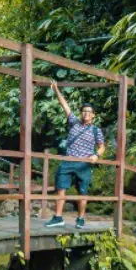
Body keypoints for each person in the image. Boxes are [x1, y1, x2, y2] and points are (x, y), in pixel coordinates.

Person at [44, 80, 106, 229]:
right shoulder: (74, 122)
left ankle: (80, 219)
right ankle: (58, 217)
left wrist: (96, 155)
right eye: (84, 111)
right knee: (61, 188)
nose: (86, 114)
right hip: (68, 161)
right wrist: (57, 89)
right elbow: (64, 105)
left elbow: (102, 146)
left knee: (82, 192)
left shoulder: (96, 130)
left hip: (84, 163)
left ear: (93, 115)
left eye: (89, 112)